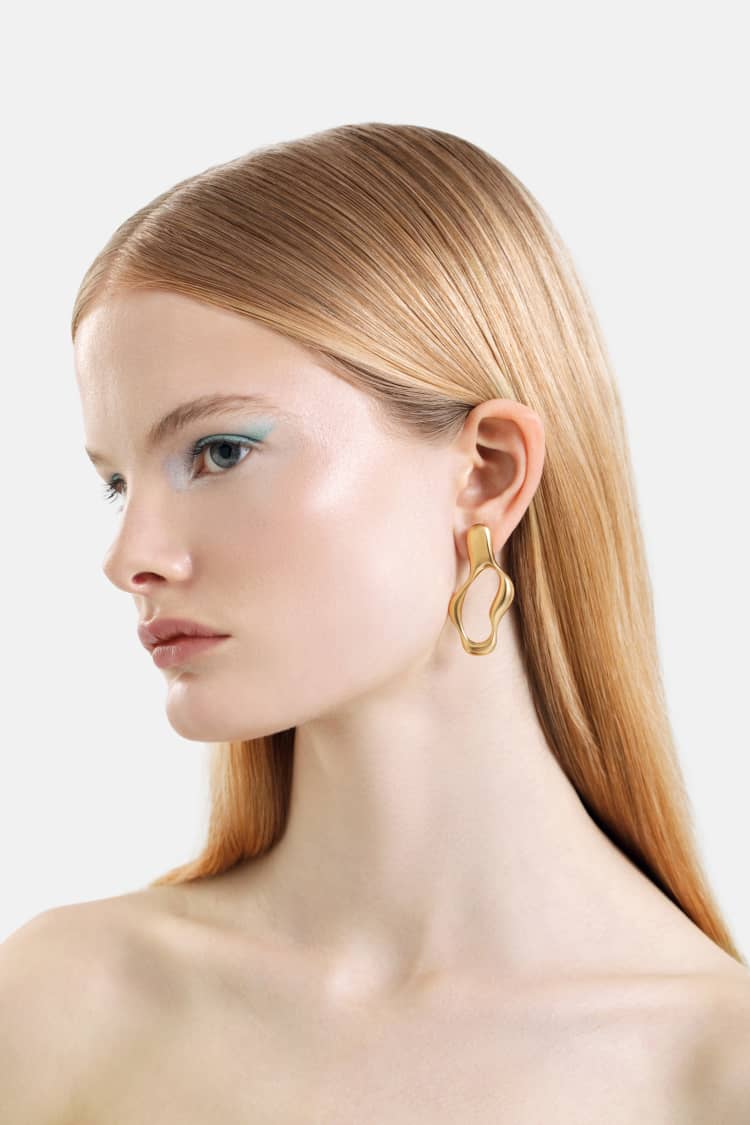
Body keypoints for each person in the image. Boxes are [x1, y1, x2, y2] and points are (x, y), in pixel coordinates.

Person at [2, 122, 748, 1121]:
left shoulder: (715, 1075)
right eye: (116, 482)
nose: (130, 554)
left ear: (486, 472)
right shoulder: (59, 1004)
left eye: (220, 452)